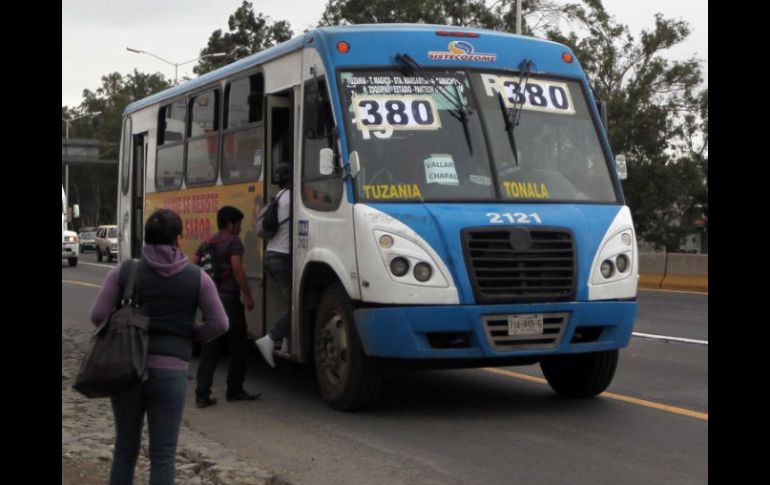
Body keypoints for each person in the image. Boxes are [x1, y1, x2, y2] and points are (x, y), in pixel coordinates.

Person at [90, 209, 229, 485]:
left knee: (125, 449)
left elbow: (98, 315)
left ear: (146, 239)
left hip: (127, 369)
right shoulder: (197, 278)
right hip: (171, 372)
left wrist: (125, 326)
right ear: (179, 240)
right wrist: (191, 334)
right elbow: (220, 323)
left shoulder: (126, 271)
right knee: (163, 454)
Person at [192, 205, 260, 407]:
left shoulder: (207, 243)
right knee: (238, 346)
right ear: (230, 224)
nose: (240, 228)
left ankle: (202, 395)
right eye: (238, 224)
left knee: (209, 350)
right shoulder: (233, 242)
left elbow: (192, 265)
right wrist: (247, 296)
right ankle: (234, 390)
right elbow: (238, 269)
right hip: (229, 302)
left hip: (210, 304)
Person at [255, 163, 292, 368]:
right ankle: (270, 338)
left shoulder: (278, 198)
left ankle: (287, 343)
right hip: (283, 257)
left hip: (271, 254)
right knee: (296, 305)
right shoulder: (294, 197)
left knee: (290, 302)